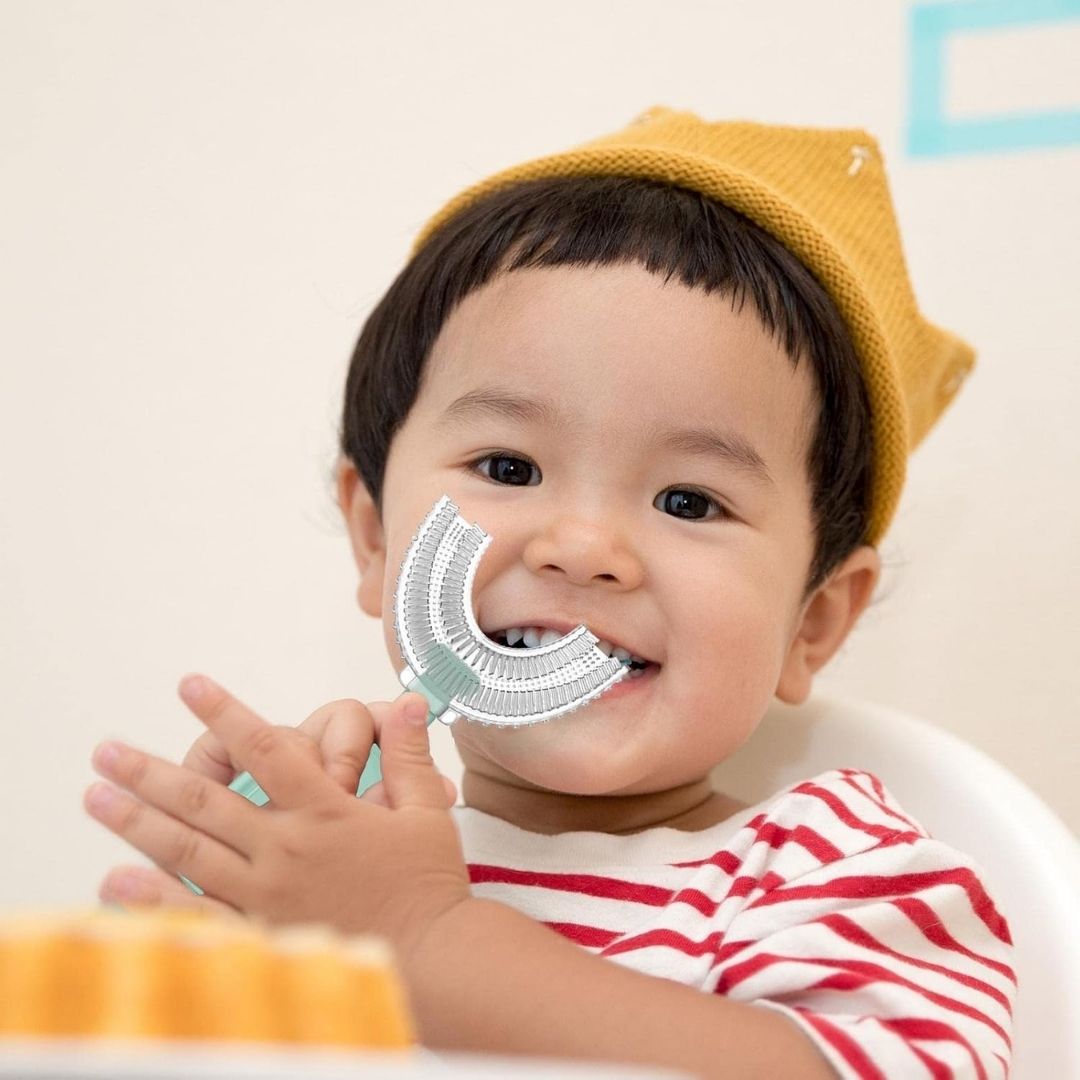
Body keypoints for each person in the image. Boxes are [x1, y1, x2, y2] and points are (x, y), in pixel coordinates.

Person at [85, 106, 1016, 1078]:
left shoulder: (836, 873)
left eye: (689, 500)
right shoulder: (325, 858)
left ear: (814, 622)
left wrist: (424, 943)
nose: (582, 547)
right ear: (373, 534)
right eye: (510, 466)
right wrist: (207, 927)